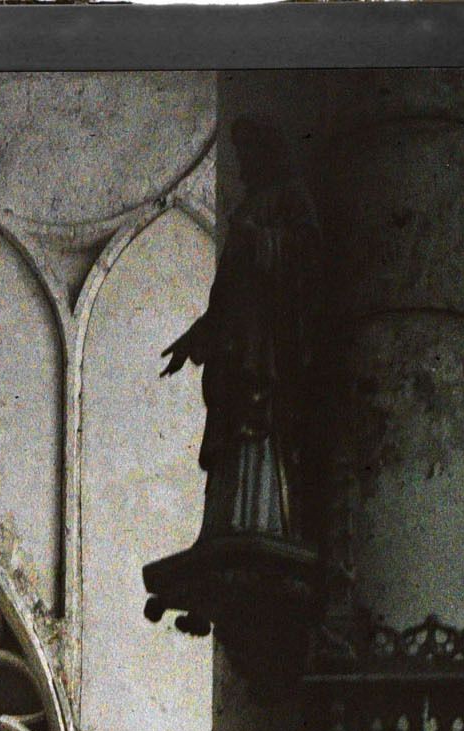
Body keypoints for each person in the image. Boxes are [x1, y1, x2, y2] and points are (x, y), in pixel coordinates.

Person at [160, 118, 321, 548]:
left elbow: (307, 255)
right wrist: (196, 338)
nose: (243, 163)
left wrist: (260, 240)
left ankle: (262, 518)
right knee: (233, 424)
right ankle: (229, 520)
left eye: (249, 153)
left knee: (259, 416)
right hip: (237, 341)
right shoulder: (251, 204)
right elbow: (227, 293)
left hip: (265, 342)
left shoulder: (289, 197)